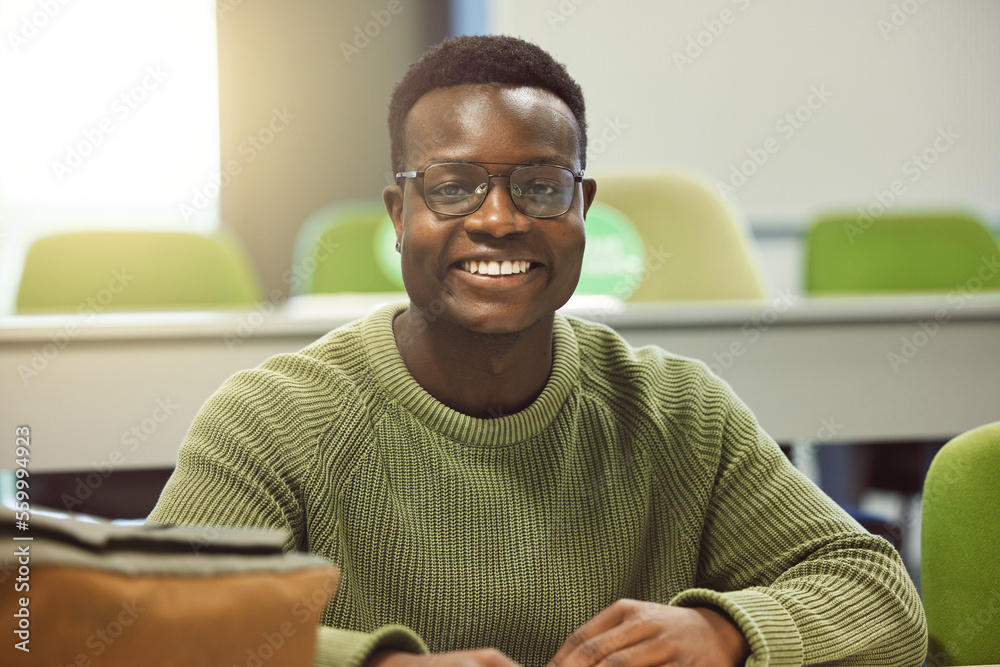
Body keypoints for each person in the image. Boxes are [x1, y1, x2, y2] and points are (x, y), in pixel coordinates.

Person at [149, 35, 927, 667]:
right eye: (452, 185)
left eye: (540, 187)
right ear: (399, 212)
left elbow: (880, 595)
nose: (499, 220)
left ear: (582, 208)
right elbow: (150, 624)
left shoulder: (679, 411)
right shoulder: (271, 418)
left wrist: (726, 631)